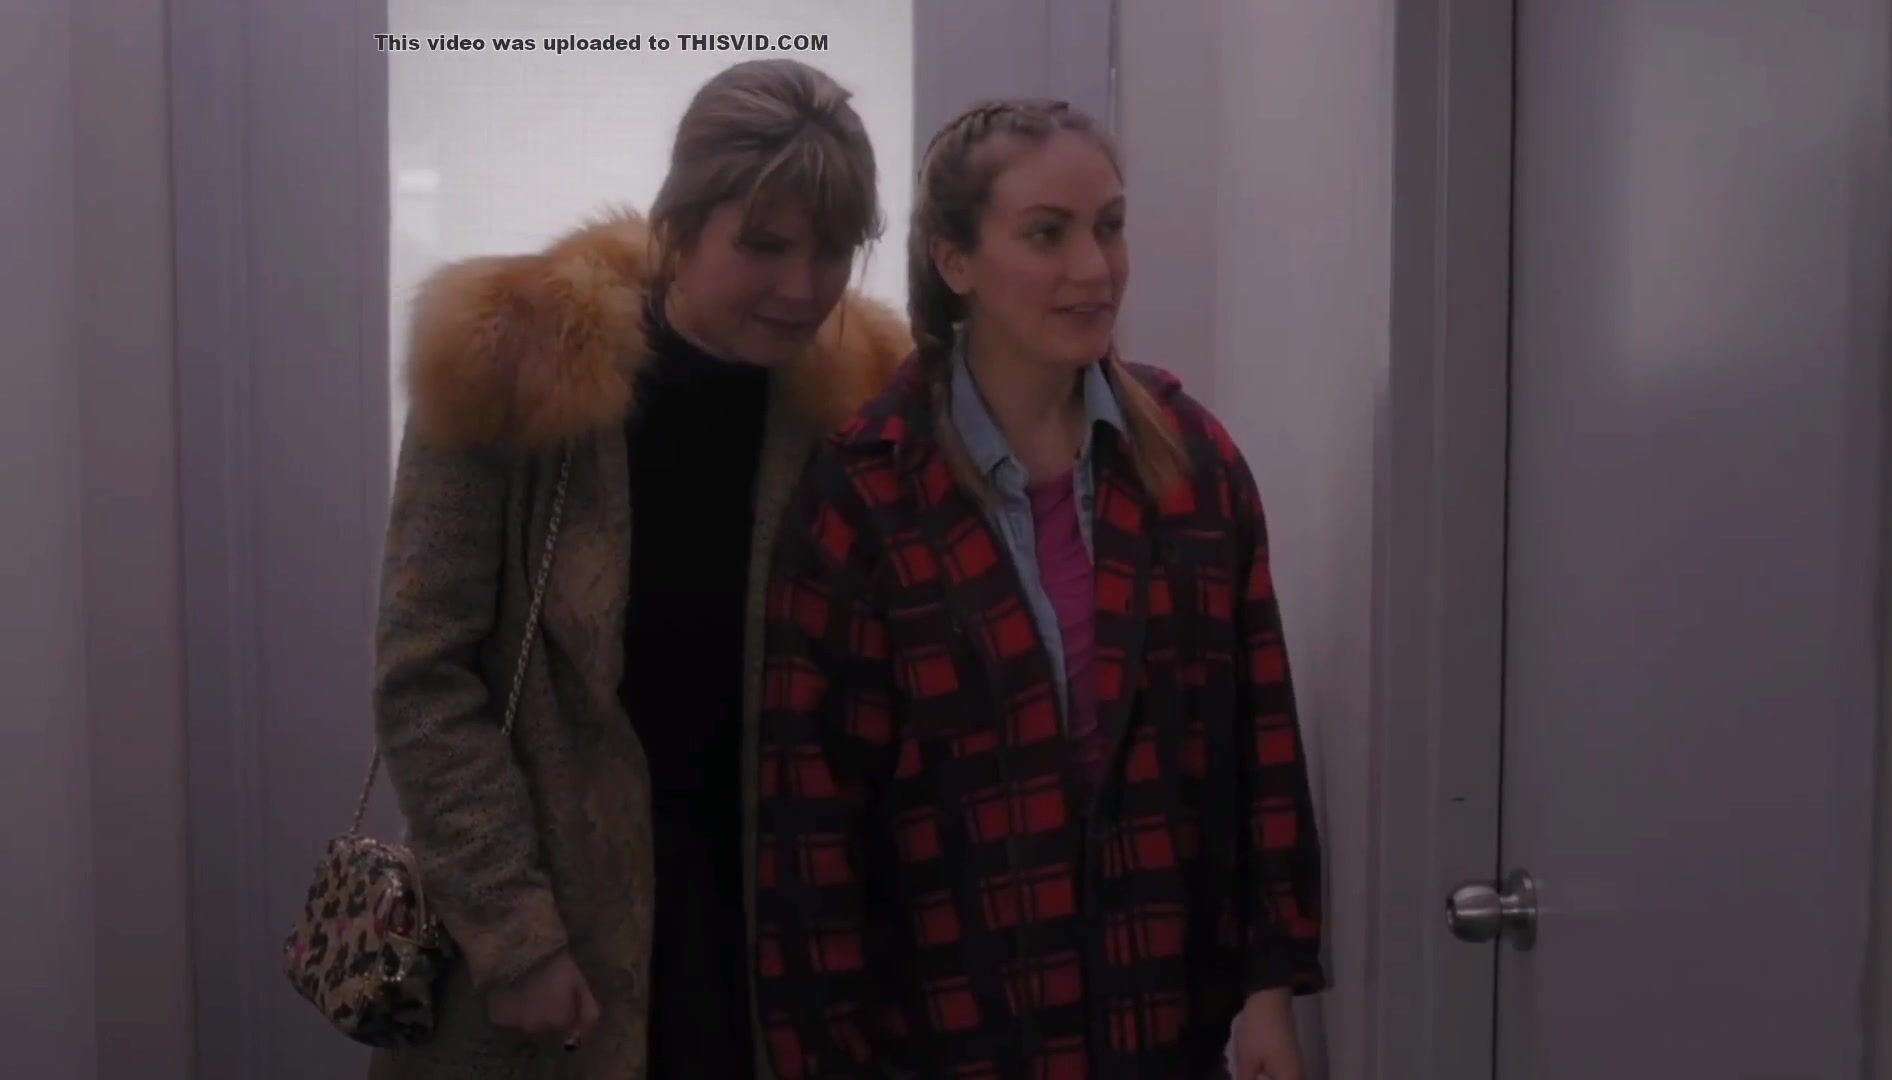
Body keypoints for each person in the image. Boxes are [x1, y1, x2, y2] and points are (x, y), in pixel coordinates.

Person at [754, 98, 1325, 1079]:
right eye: (1046, 234)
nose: (1093, 269)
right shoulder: (868, 493)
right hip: (955, 1031)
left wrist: (1269, 991)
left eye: (1109, 226)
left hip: (1165, 1022)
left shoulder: (1191, 465)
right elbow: (813, 826)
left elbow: (1260, 746)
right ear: (955, 261)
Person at [369, 58, 909, 1079]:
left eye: (834, 249)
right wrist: (513, 932)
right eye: (764, 245)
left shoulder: (859, 400)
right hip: (551, 936)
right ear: (680, 224)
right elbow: (424, 675)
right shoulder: (513, 362)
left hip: (766, 942)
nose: (803, 287)